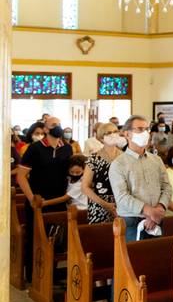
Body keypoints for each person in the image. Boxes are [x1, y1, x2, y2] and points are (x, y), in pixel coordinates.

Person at [17, 116, 73, 281]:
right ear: (46, 129)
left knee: (56, 240)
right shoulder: (35, 148)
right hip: (39, 200)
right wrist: (32, 199)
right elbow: (21, 177)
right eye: (54, 125)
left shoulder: (67, 148)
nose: (58, 127)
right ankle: (33, 276)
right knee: (36, 239)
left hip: (58, 200)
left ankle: (51, 275)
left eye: (59, 124)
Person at [109, 115, 171, 242]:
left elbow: (166, 186)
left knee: (157, 259)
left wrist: (159, 208)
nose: (145, 133)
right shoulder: (118, 164)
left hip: (157, 218)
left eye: (147, 129)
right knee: (133, 260)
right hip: (132, 221)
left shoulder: (156, 160)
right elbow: (122, 196)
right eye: (140, 129)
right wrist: (149, 211)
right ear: (127, 134)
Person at [82, 123, 123, 224]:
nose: (113, 135)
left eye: (115, 132)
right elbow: (84, 187)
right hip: (99, 203)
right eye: (109, 133)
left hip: (122, 203)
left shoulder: (125, 156)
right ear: (101, 138)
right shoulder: (94, 158)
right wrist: (105, 204)